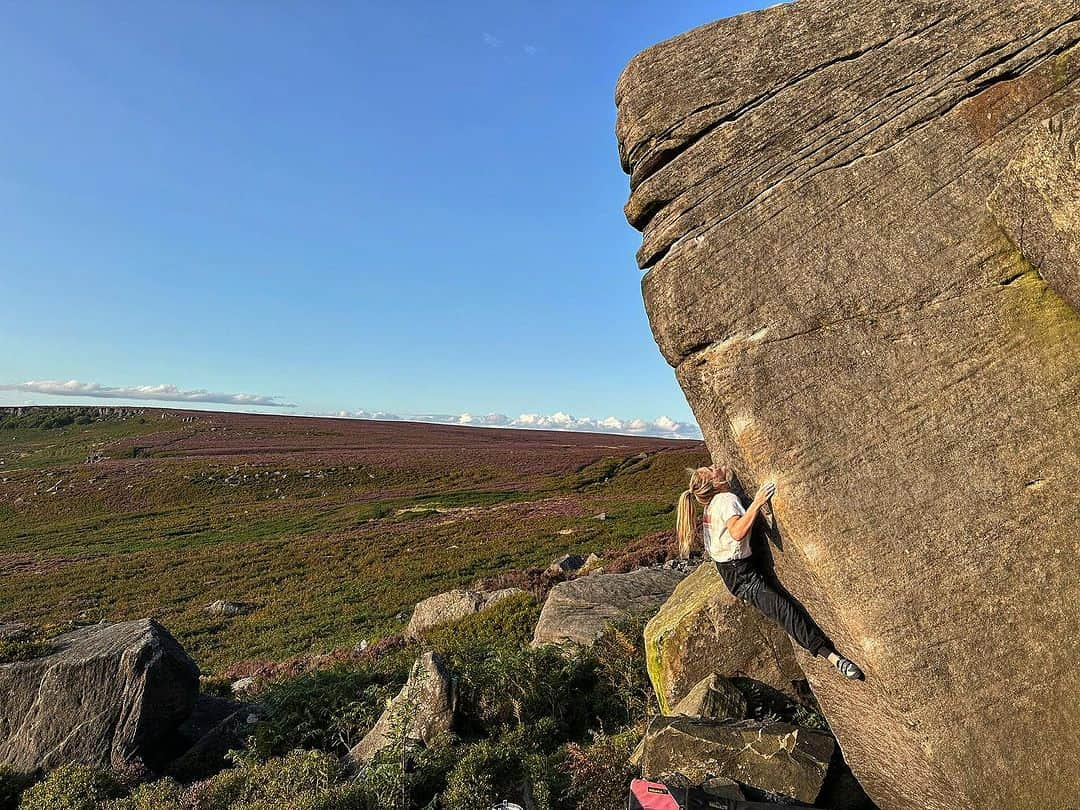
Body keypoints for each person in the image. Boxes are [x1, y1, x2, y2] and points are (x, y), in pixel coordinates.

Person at [676, 463, 864, 680]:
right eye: (712, 470)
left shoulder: (713, 503)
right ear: (715, 483)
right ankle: (834, 658)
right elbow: (737, 532)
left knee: (781, 607)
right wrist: (756, 503)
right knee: (784, 610)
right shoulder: (725, 500)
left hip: (732, 569)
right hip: (741, 574)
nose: (715, 465)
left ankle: (830, 655)